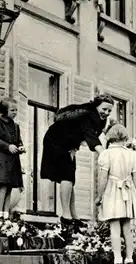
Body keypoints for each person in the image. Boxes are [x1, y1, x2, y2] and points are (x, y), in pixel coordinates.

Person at [40, 92, 114, 227]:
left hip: (67, 143)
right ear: (96, 106)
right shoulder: (87, 114)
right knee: (66, 176)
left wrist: (74, 147)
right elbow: (90, 136)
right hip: (55, 140)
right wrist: (104, 154)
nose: (107, 112)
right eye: (104, 109)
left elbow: (80, 134)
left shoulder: (100, 119)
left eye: (109, 110)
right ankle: (66, 216)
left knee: (70, 177)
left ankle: (73, 215)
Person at [95, 124, 136, 264]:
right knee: (127, 229)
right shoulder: (132, 154)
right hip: (128, 191)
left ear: (110, 136)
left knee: (114, 227)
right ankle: (130, 260)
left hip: (113, 191)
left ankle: (117, 260)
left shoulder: (106, 154)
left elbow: (102, 178)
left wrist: (99, 196)